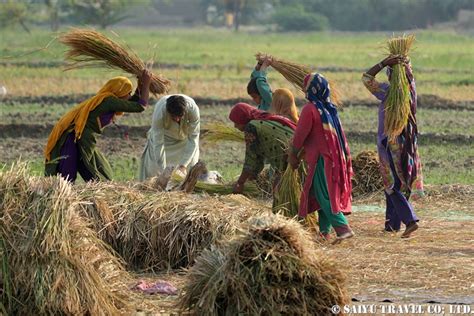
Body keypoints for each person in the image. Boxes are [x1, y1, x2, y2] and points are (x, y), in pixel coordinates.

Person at [44, 70, 152, 182]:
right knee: (68, 173)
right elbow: (140, 106)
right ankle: (62, 196)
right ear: (119, 92)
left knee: (99, 169)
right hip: (73, 138)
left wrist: (141, 85)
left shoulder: (110, 100)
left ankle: (100, 190)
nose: (130, 96)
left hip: (83, 138)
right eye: (128, 93)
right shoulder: (108, 101)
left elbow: (133, 102)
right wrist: (147, 84)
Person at [362, 55, 423, 238]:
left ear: (391, 75)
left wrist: (383, 63)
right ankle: (391, 225)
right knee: (396, 183)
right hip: (407, 144)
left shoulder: (388, 92)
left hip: (390, 144)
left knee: (392, 185)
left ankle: (410, 220)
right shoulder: (411, 91)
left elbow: (367, 78)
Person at [288, 73, 354, 243]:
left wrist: (293, 154)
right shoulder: (329, 108)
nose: (304, 91)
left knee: (324, 196)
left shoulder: (310, 109)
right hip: (334, 158)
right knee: (321, 194)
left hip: (321, 160)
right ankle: (324, 232)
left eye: (305, 88)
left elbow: (299, 136)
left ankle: (343, 228)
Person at [229, 103, 296, 197]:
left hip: (292, 152)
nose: (235, 126)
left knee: (279, 189)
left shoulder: (251, 127)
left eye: (237, 122)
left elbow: (250, 157)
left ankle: (282, 208)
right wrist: (253, 176)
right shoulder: (262, 119)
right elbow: (258, 156)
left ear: (243, 118)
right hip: (297, 150)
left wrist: (240, 183)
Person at [139, 94, 200, 180]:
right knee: (153, 170)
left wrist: (183, 165)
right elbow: (158, 143)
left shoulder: (193, 109)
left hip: (184, 139)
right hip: (165, 137)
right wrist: (164, 171)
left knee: (190, 169)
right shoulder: (160, 112)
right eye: (173, 117)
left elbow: (193, 138)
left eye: (180, 116)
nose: (177, 119)